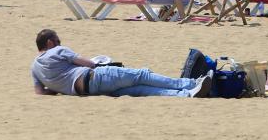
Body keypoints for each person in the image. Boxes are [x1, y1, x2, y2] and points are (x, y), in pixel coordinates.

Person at [31, 29, 212, 97]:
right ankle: (190, 84)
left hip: (86, 91)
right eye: (58, 40)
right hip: (94, 77)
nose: (59, 43)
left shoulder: (35, 68)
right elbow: (88, 64)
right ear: (50, 43)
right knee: (142, 75)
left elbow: (41, 92)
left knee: (140, 90)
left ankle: (185, 95)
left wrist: (59, 84)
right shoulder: (57, 50)